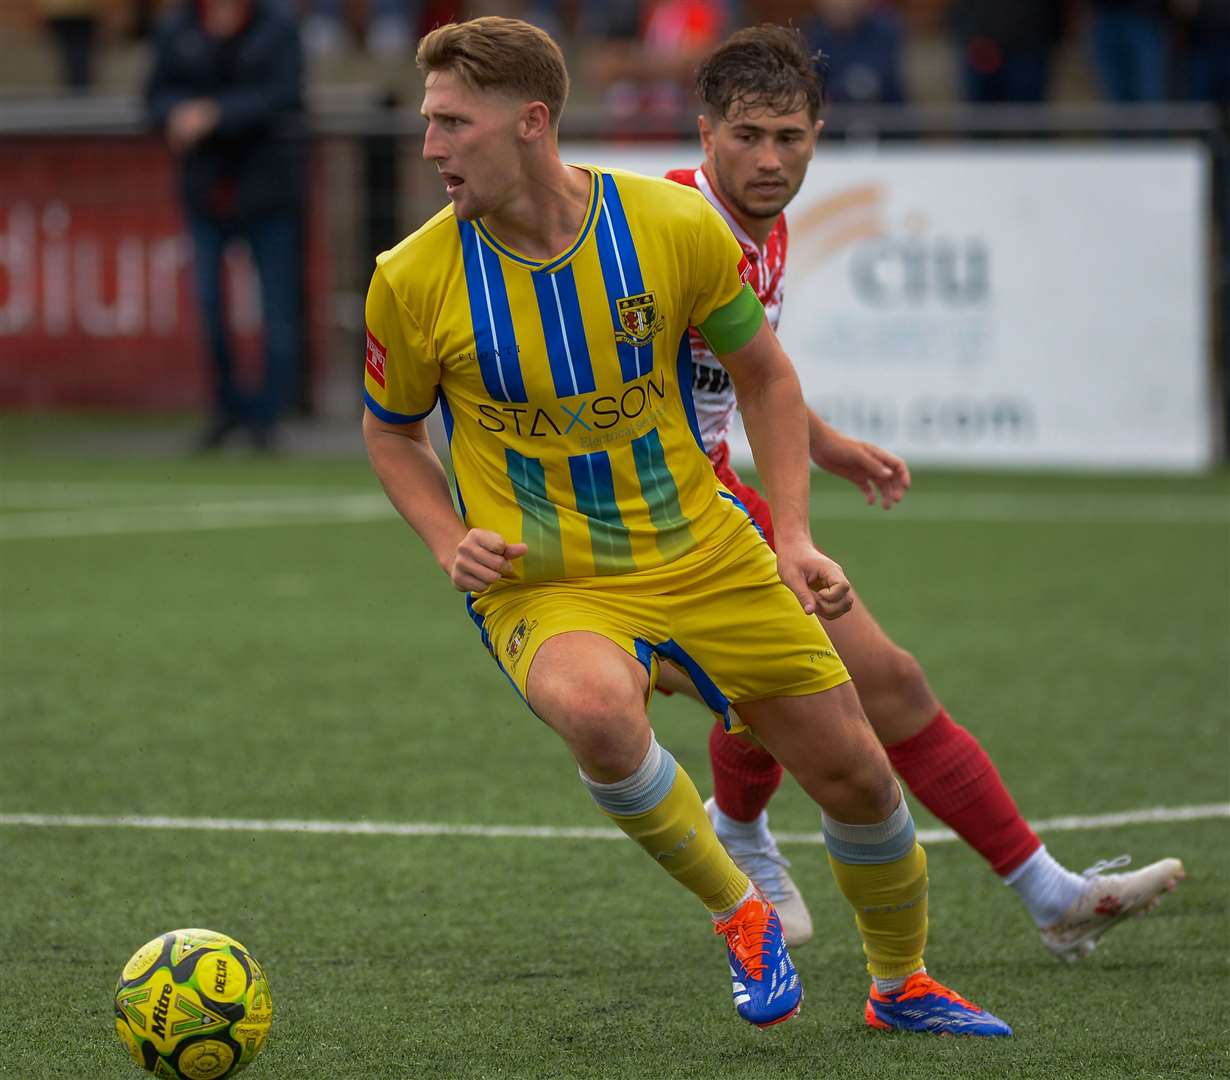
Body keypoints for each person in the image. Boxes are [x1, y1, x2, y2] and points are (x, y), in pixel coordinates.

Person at [363, 15, 1012, 1036]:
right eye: (428, 122)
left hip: (704, 547)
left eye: (453, 123)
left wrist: (793, 536)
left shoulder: (664, 227)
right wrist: (450, 539)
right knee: (598, 714)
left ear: (531, 122)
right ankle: (740, 911)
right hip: (549, 578)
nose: (432, 145)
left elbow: (764, 374)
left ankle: (902, 985)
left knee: (856, 775)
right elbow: (390, 431)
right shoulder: (411, 276)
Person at [656, 22, 1184, 960]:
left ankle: (1049, 894)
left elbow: (746, 370)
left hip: (721, 497)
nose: (771, 159)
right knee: (817, 688)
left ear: (819, 133)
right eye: (748, 136)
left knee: (878, 681)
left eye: (790, 137)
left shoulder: (764, 232)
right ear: (705, 135)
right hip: (656, 516)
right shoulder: (673, 228)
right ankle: (743, 835)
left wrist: (825, 445)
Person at [146, 0, 306, 452]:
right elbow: (154, 97)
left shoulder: (276, 26)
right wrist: (178, 113)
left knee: (277, 311)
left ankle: (267, 418)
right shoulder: (177, 27)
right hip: (205, 191)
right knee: (209, 306)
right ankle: (225, 409)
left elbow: (285, 94)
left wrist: (217, 113)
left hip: (268, 190)